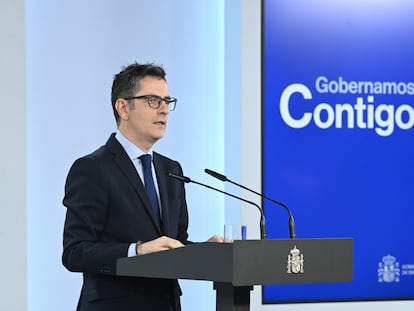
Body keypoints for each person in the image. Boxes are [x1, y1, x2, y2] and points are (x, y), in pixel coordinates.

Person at [62, 62, 222, 311]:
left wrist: (204, 251)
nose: (164, 110)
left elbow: (173, 244)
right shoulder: (92, 169)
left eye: (167, 101)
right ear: (123, 107)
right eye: (153, 100)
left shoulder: (171, 170)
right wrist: (136, 251)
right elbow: (75, 252)